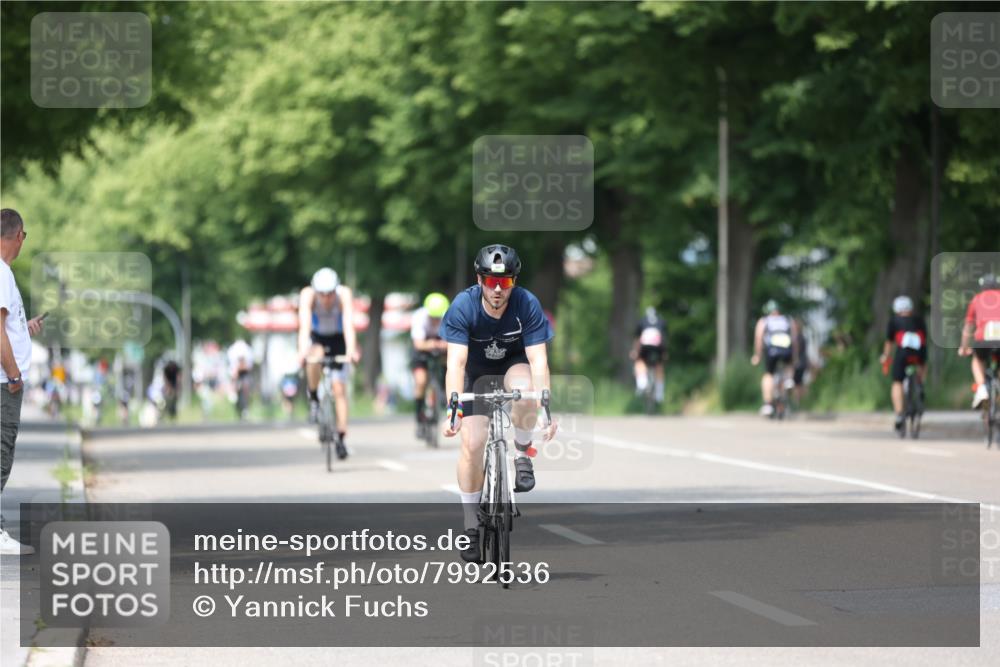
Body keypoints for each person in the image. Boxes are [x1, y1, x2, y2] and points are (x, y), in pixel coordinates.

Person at [440, 244, 557, 562]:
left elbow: (538, 360)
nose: (496, 289)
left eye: (504, 282)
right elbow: (456, 362)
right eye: (490, 281)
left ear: (514, 283)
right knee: (473, 443)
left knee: (526, 390)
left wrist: (545, 406)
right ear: (479, 280)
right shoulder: (463, 306)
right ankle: (470, 527)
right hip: (473, 372)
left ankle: (521, 455)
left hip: (512, 366)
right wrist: (454, 409)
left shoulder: (526, 304)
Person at [1, 208, 46, 555]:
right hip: (4, 382)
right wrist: (14, 374)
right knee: (1, 454)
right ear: (18, 236)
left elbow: (6, 326)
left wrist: (24, 328)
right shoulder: (1, 274)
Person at [298, 268, 359, 459]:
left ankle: (341, 437)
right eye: (322, 294)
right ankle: (314, 397)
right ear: (315, 291)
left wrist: (351, 350)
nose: (326, 298)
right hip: (318, 338)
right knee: (314, 356)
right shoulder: (308, 295)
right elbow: (304, 325)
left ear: (336, 289)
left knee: (339, 389)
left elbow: (349, 323)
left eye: (330, 293)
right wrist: (302, 352)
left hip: (339, 338)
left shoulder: (344, 295)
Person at [880, 295, 928, 434]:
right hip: (919, 352)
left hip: (903, 353)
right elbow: (924, 339)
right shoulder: (918, 319)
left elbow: (889, 343)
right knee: (922, 364)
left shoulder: (894, 320)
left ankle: (900, 414)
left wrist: (885, 357)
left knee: (897, 382)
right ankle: (920, 384)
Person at [410, 292, 450, 437]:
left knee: (451, 367)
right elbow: (419, 344)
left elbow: (453, 342)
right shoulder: (419, 317)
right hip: (422, 347)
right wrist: (433, 344)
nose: (434, 320)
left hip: (440, 344)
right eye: (432, 317)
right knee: (420, 381)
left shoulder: (449, 316)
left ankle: (444, 395)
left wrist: (442, 345)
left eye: (437, 317)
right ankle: (419, 417)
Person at [751, 300, 800, 416]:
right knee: (788, 366)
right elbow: (794, 339)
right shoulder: (788, 320)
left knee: (768, 374)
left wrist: (757, 355)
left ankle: (768, 404)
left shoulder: (764, 321)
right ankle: (788, 380)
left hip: (772, 351)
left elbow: (759, 338)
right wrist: (795, 356)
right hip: (786, 350)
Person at [959, 273, 1000, 409]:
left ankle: (981, 387)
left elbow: (968, 326)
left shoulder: (977, 299)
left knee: (977, 359)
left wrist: (964, 347)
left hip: (983, 340)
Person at [630, 306, 667, 405]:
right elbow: (664, 339)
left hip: (645, 347)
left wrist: (634, 352)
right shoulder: (662, 321)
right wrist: (664, 353)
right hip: (658, 348)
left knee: (639, 361)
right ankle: (659, 394)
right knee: (659, 366)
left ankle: (642, 384)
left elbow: (638, 339)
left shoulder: (642, 322)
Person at [227, 338, 254, 419]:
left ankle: (244, 409)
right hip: (236, 374)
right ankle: (240, 409)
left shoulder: (242, 353)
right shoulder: (236, 353)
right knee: (237, 390)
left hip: (243, 374)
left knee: (245, 389)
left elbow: (246, 366)